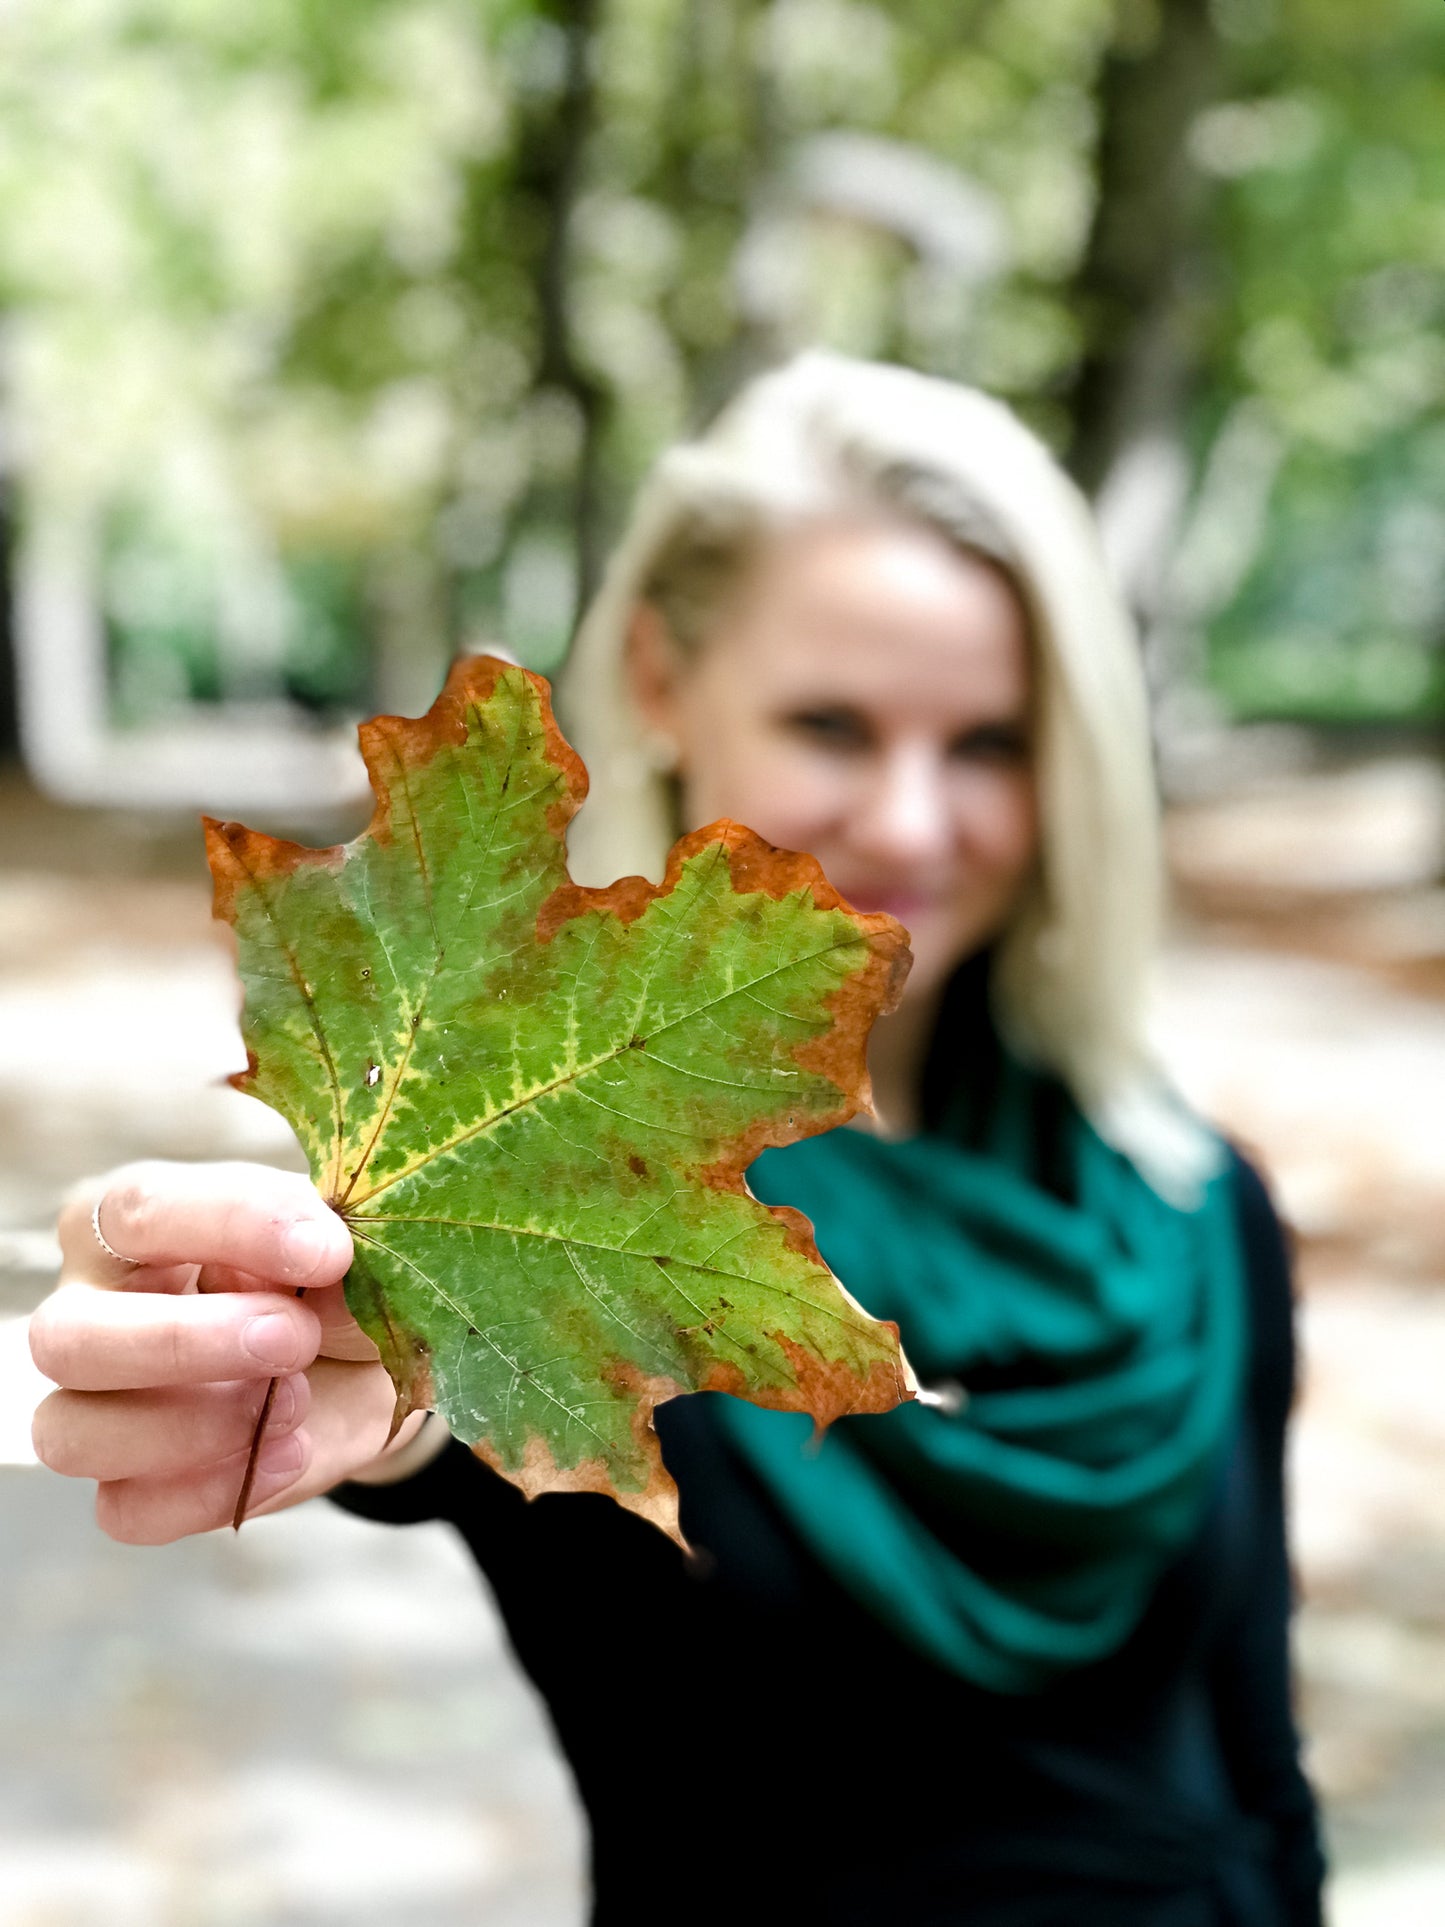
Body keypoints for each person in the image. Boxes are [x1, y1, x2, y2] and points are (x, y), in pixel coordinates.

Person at [29, 353, 1325, 1925]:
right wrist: (289, 1332)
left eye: (987, 743)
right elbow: (414, 1400)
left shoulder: (1192, 1216)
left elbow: (1254, 1761)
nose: (913, 824)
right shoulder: (556, 1199)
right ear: (656, 676)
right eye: (832, 725)